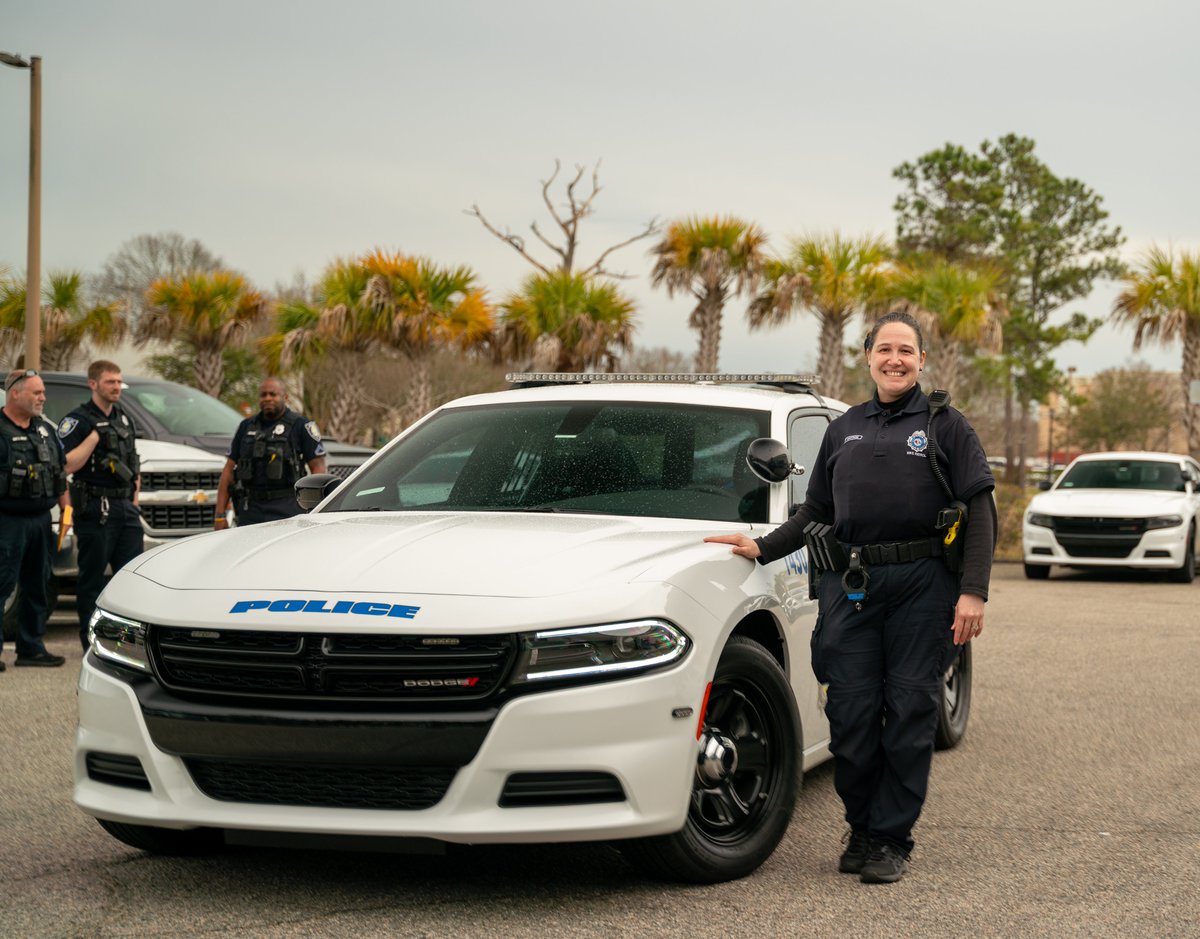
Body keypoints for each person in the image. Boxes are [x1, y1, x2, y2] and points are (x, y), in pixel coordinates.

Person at [705, 310, 995, 884]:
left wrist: (973, 593)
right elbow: (815, 512)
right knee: (851, 714)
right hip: (853, 586)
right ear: (867, 357)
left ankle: (890, 839)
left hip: (923, 585)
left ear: (921, 360)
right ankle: (862, 826)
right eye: (885, 349)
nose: (895, 359)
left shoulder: (947, 426)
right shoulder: (845, 428)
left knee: (911, 710)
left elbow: (980, 508)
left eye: (906, 351)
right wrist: (761, 547)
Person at [59, 360, 145, 652]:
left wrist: (134, 500)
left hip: (125, 509)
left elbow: (134, 462)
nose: (117, 387)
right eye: (110, 382)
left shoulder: (124, 418)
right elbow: (67, 463)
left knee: (130, 581)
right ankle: (90, 644)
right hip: (96, 509)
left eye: (119, 382)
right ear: (93, 384)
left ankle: (125, 645)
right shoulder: (79, 420)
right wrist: (94, 438)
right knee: (92, 580)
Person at [0, 369, 68, 668]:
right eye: (36, 392)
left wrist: (67, 509)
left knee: (38, 585)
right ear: (15, 393)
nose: (43, 397)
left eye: (42, 392)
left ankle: (31, 648)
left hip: (41, 518)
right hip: (6, 520)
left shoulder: (44, 430)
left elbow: (59, 471)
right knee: (2, 585)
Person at [215, 377, 326, 528]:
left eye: (273, 394)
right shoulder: (246, 426)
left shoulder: (302, 425)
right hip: (250, 510)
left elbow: (318, 469)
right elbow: (228, 470)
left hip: (288, 508)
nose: (267, 398)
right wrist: (220, 516)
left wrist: (315, 510)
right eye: (263, 395)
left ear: (285, 397)